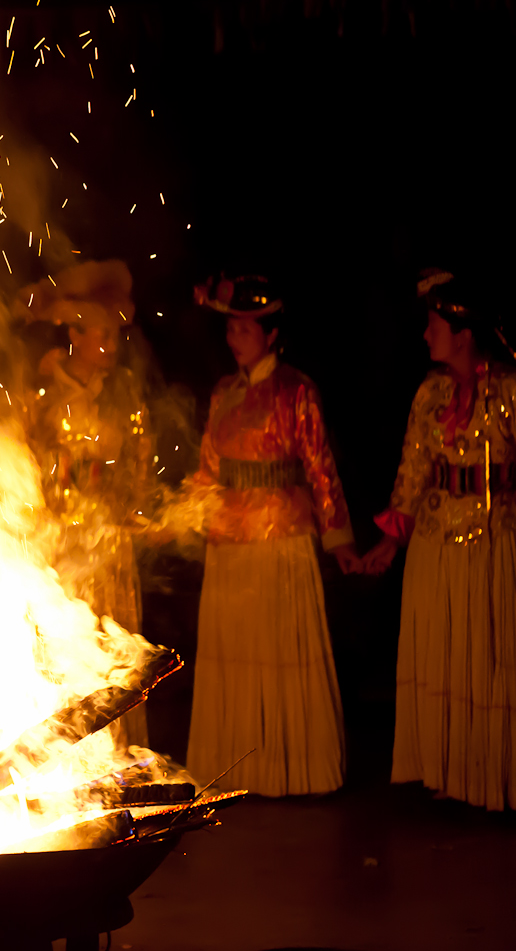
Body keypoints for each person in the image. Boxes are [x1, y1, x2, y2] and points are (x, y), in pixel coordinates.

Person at [185, 274, 359, 797]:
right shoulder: (222, 393)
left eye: (242, 329)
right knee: (236, 658)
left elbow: (320, 467)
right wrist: (177, 518)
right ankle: (237, 769)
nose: (232, 337)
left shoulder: (296, 390)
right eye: (230, 328)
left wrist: (340, 541)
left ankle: (292, 769)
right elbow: (207, 471)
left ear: (269, 334)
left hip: (280, 540)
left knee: (281, 658)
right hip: (229, 543)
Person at [362, 269, 515, 810]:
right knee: (445, 653)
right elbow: (412, 470)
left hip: (493, 542)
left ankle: (493, 776)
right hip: (434, 541)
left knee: (489, 655)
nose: (426, 337)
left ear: (462, 333)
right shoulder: (430, 393)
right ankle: (449, 774)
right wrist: (391, 542)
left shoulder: (510, 390)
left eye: (433, 326)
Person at [22, 261, 154, 749]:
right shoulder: (42, 395)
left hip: (109, 546)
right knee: (63, 650)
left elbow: (142, 460)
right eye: (102, 333)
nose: (112, 344)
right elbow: (25, 465)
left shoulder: (123, 393)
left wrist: (130, 508)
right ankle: (62, 757)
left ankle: (118, 753)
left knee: (112, 650)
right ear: (74, 333)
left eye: (116, 334)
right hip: (60, 549)